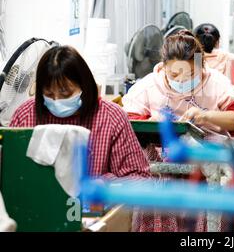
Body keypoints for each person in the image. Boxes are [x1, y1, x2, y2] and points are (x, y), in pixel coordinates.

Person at [10, 46, 150, 180]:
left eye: (66, 93)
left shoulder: (111, 117)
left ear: (84, 85)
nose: (57, 100)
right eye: (49, 94)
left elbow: (139, 177)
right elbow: (9, 172)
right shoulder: (26, 115)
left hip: (96, 203)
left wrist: (105, 184)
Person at [123, 30, 234, 135]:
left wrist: (206, 116)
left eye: (191, 74)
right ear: (164, 67)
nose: (181, 80)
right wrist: (151, 123)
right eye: (174, 74)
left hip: (209, 154)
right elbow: (127, 121)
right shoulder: (148, 86)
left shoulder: (216, 83)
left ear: (202, 65)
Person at [193, 23, 234, 89]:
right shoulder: (233, 59)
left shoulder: (190, 60)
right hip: (228, 98)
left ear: (194, 42)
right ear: (218, 42)